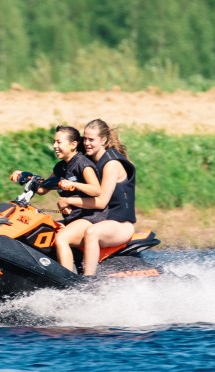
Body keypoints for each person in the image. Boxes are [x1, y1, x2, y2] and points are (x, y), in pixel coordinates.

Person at [10, 125, 100, 272]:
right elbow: (42, 189)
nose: (54, 146)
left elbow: (96, 189)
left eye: (59, 142)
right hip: (72, 219)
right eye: (54, 142)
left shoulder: (83, 165)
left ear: (73, 145)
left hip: (89, 218)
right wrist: (26, 176)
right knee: (39, 232)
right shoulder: (61, 167)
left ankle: (68, 282)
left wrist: (73, 184)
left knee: (61, 238)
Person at [56, 118, 136, 277]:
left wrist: (68, 201)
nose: (86, 143)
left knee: (92, 232)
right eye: (85, 138)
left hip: (119, 224)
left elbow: (101, 202)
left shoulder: (111, 164)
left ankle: (88, 280)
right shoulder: (88, 161)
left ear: (104, 140)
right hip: (99, 218)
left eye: (91, 139)